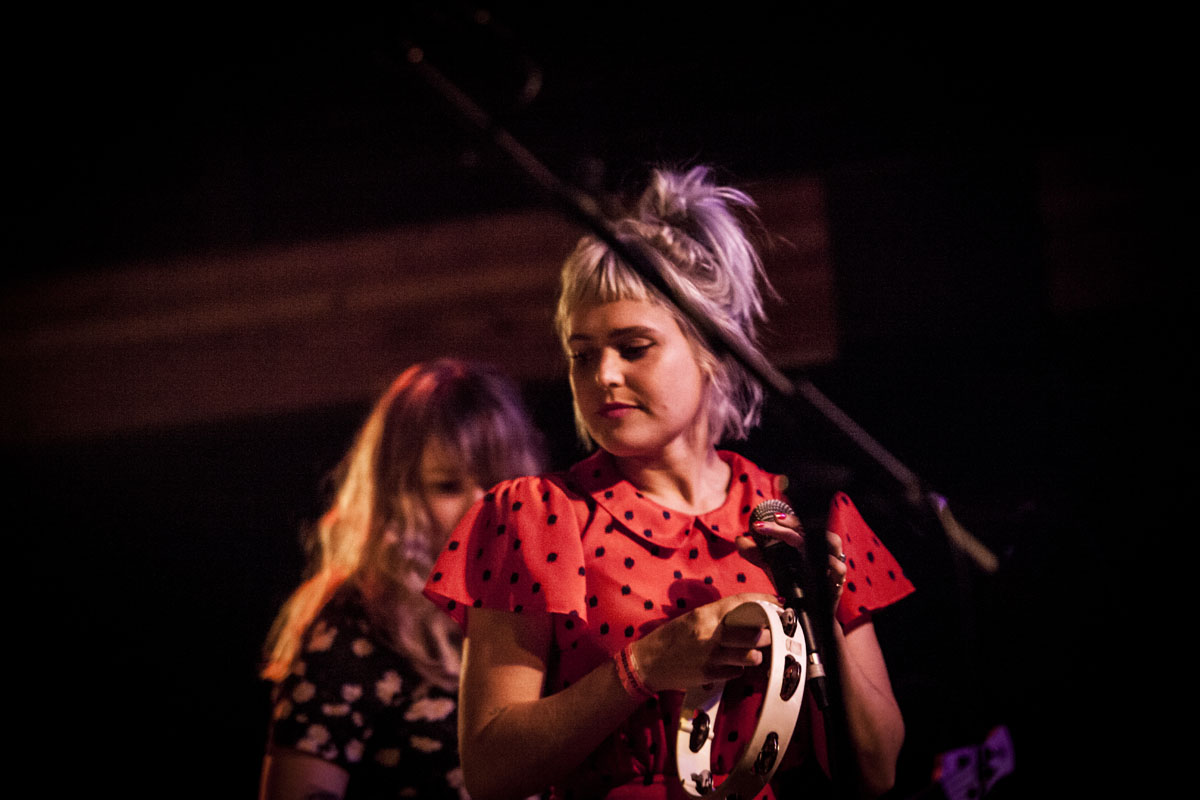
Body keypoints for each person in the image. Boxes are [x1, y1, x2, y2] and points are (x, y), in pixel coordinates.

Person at [423, 166, 915, 800]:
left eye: (633, 347)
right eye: (582, 353)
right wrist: (645, 666)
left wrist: (816, 612)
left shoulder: (805, 514)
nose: (602, 374)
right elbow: (490, 772)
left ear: (713, 349)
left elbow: (878, 771)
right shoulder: (536, 516)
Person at [259, 359, 547, 800]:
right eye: (448, 486)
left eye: (496, 483)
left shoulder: (534, 610)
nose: (480, 506)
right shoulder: (355, 627)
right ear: (397, 495)